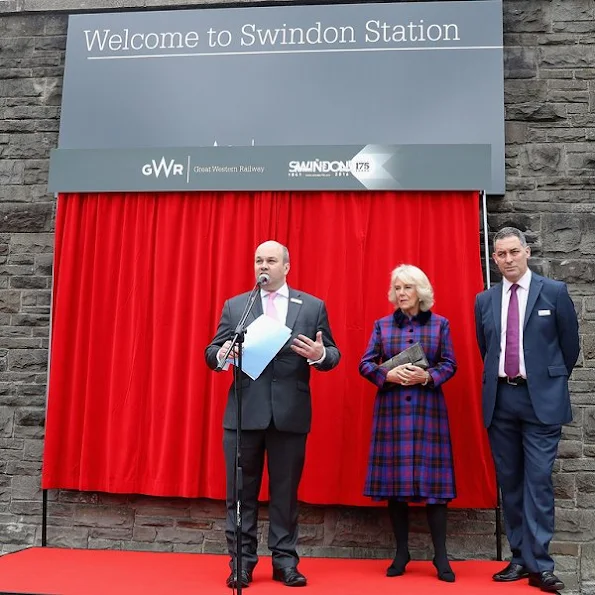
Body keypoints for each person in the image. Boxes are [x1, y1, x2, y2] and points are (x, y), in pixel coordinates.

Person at [205, 240, 340, 589]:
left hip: (290, 414)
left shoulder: (311, 306)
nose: (263, 266)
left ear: (286, 267)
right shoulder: (237, 306)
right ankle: (241, 564)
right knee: (240, 494)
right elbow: (212, 350)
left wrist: (319, 354)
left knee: (285, 493)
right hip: (243, 414)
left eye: (271, 260)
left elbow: (333, 354)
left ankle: (285, 562)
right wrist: (223, 354)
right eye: (258, 260)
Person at [474, 227, 580, 593]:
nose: (508, 260)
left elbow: (569, 348)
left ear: (527, 252)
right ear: (495, 259)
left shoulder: (554, 292)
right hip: (501, 400)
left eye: (513, 252)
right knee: (511, 483)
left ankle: (542, 564)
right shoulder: (484, 300)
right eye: (501, 254)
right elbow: (485, 348)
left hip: (541, 402)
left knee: (537, 482)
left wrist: (545, 381)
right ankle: (519, 558)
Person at [359, 264, 457, 582]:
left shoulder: (440, 325)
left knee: (435, 489)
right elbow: (364, 363)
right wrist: (385, 374)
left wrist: (428, 376)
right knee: (395, 488)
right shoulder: (382, 326)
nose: (401, 293)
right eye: (397, 288)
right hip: (392, 414)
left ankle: (441, 557)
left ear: (421, 291)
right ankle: (401, 553)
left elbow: (450, 364)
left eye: (407, 287)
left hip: (429, 413)